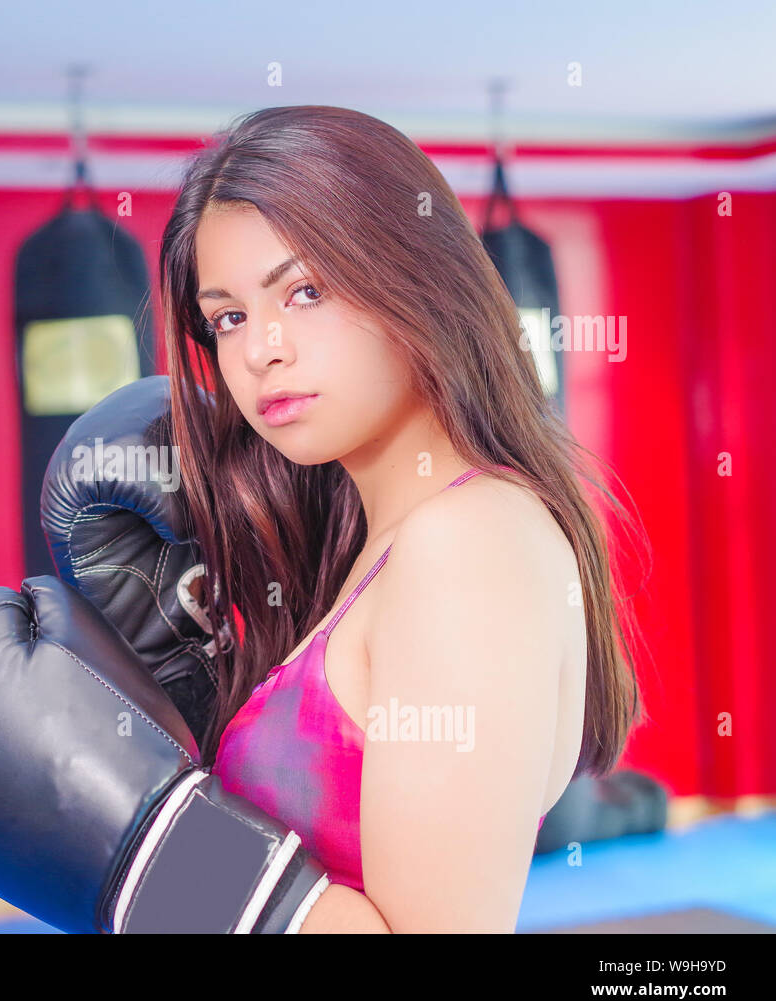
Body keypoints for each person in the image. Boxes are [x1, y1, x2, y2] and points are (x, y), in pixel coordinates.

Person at [155, 105, 647, 931]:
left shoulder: (467, 543)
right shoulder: (381, 546)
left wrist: (136, 851)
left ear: (412, 278)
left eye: (305, 291)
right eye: (228, 316)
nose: (259, 349)